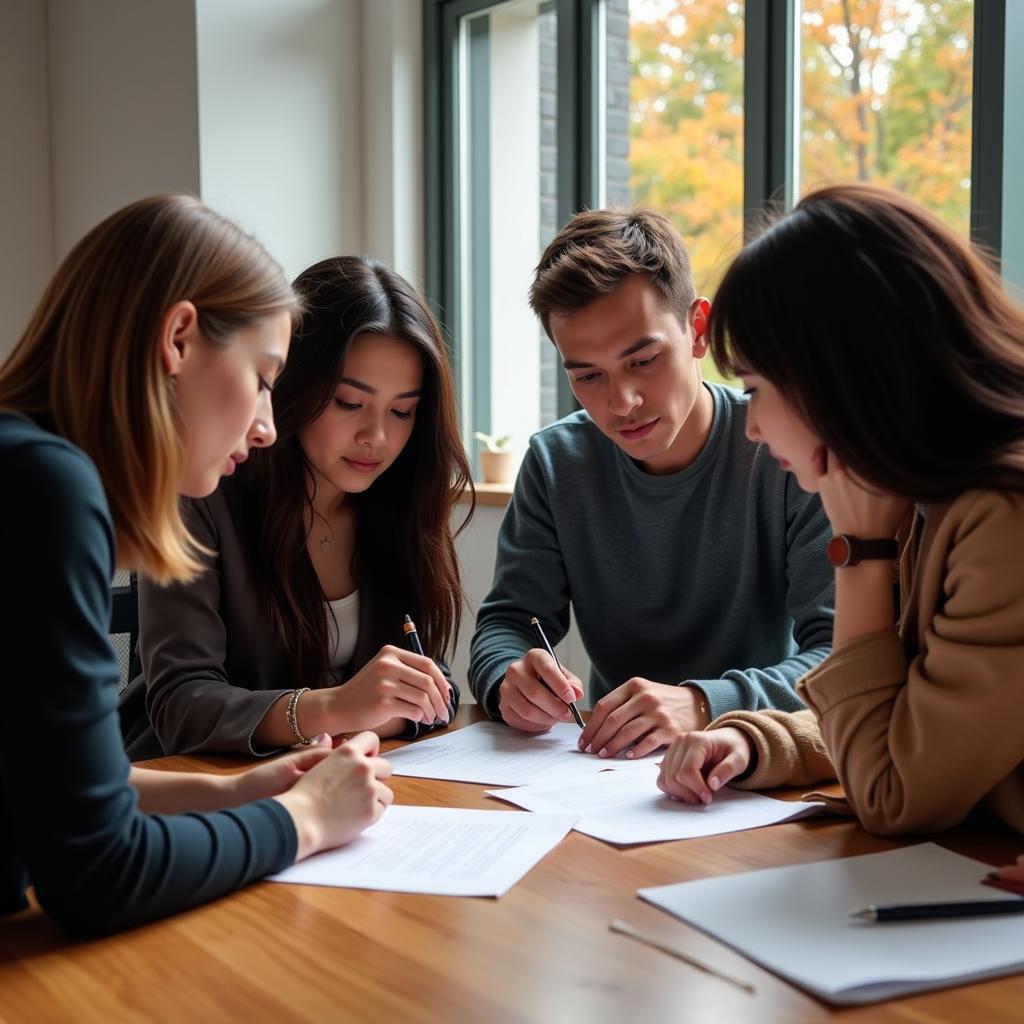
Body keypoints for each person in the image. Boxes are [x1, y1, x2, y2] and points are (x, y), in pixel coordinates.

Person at [1, 196, 393, 937]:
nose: (269, 426)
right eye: (264, 376)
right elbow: (96, 875)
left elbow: (56, 789)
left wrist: (239, 792)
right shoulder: (46, 489)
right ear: (179, 338)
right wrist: (300, 821)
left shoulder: (25, 467)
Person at [656, 183, 1024, 840]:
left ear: (838, 377)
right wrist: (761, 742)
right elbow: (916, 718)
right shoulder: (931, 497)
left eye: (756, 390)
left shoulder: (1002, 516)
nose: (754, 430)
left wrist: (859, 550)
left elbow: (894, 790)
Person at [469, 208, 835, 759]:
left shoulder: (784, 454)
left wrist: (705, 702)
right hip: (607, 771)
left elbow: (837, 657)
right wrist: (507, 679)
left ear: (698, 330)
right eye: (587, 376)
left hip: (760, 766)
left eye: (642, 360)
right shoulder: (556, 462)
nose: (621, 404)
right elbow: (506, 624)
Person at [120, 256, 473, 760]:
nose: (376, 437)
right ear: (294, 384)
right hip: (198, 787)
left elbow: (433, 679)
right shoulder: (202, 493)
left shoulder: (397, 503)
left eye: (402, 411)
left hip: (338, 785)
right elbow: (182, 703)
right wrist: (335, 708)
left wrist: (387, 715)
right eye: (349, 403)